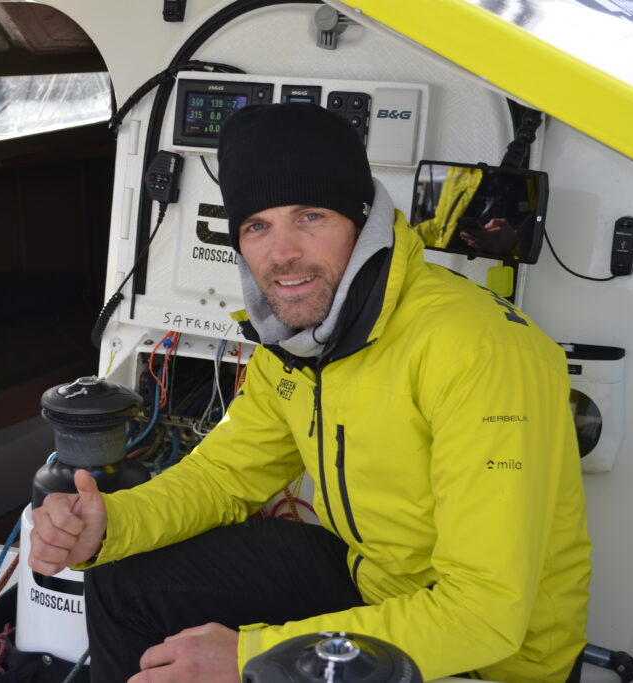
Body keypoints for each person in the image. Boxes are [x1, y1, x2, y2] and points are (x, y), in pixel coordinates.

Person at [29, 103, 591, 683]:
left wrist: (251, 657)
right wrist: (109, 524)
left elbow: (483, 614)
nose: (283, 253)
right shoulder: (299, 341)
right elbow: (225, 476)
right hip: (372, 582)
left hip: (486, 659)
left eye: (311, 216)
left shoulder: (478, 352)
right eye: (258, 227)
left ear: (363, 218)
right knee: (121, 577)